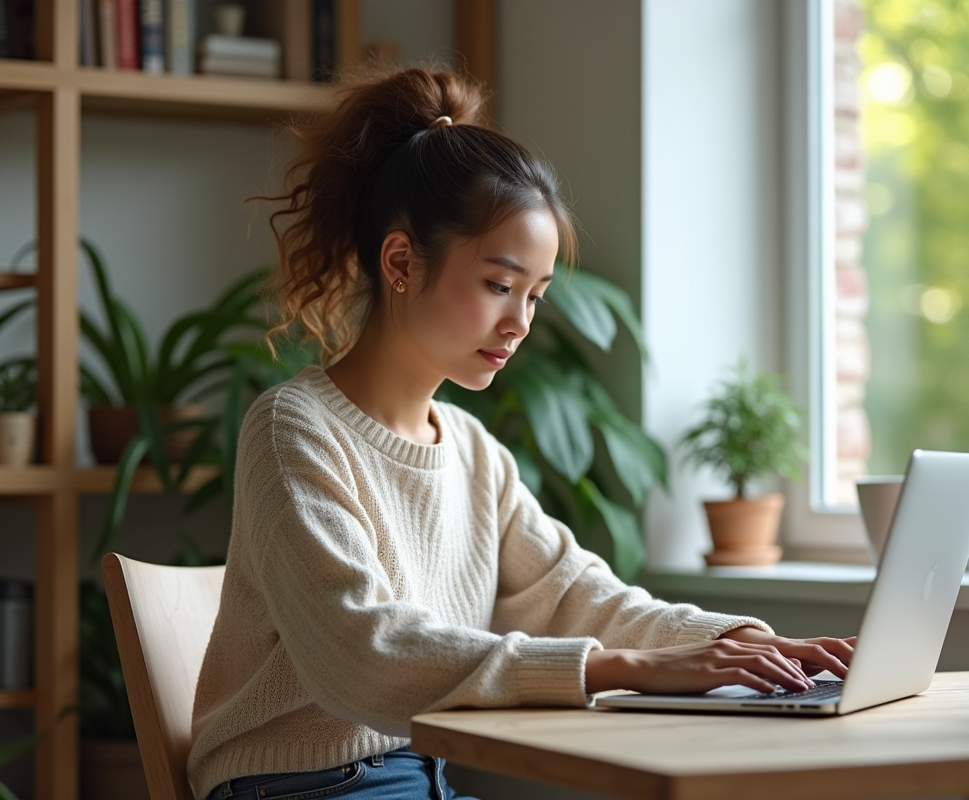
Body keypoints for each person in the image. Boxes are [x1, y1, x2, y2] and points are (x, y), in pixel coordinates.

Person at [187, 65, 854, 800]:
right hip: (300, 785)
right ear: (403, 262)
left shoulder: (474, 453)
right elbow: (359, 653)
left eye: (534, 295)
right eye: (498, 285)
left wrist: (740, 643)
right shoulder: (295, 429)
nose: (520, 323)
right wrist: (620, 668)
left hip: (423, 773)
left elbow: (577, 594)